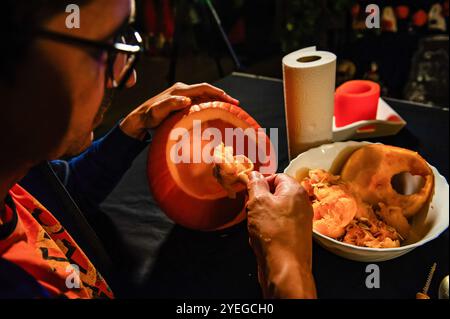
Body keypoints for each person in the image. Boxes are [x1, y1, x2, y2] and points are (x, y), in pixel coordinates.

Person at [0, 0, 316, 298]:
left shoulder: (20, 174)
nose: (130, 79)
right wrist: (289, 272)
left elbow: (62, 197)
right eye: (106, 51)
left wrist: (131, 128)